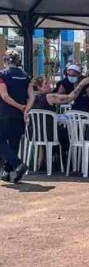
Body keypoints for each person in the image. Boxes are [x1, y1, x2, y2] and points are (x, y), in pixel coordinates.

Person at [0, 50, 29, 183]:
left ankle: (17, 165)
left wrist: (18, 106)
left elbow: (5, 96)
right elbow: (31, 96)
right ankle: (8, 172)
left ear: (5, 60)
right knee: (13, 143)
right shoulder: (25, 76)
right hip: (18, 116)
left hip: (4, 113)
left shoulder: (2, 75)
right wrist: (24, 109)